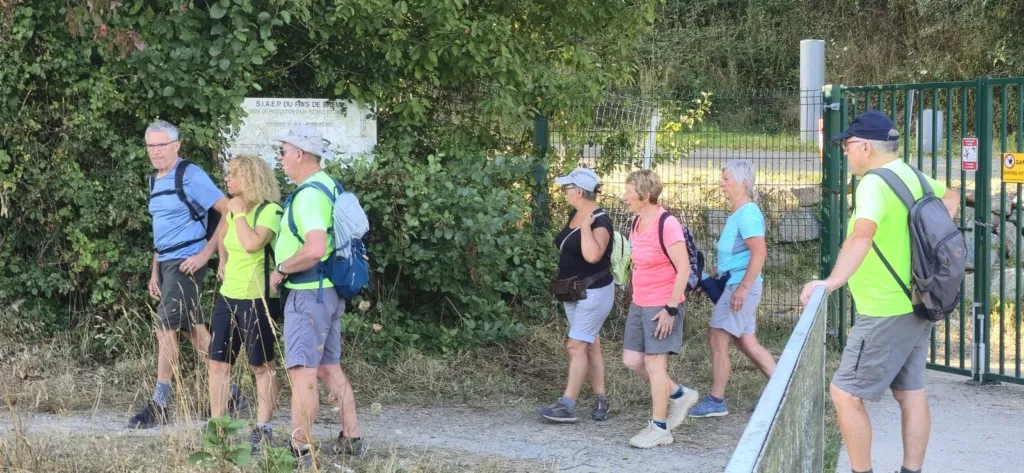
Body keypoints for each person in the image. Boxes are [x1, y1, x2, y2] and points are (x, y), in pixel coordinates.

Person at [801, 110, 959, 473]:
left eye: (847, 145)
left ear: (865, 147)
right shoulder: (911, 175)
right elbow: (950, 199)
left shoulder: (873, 183)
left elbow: (862, 236)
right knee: (909, 393)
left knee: (844, 394)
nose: (845, 152)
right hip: (919, 300)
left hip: (885, 309)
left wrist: (831, 281)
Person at [129, 120, 237, 429]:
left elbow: (228, 209)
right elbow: (161, 230)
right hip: (167, 264)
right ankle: (230, 392)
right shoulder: (155, 180)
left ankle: (160, 404)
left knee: (164, 329)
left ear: (177, 146)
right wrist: (155, 272)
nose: (156, 151)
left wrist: (206, 254)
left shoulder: (189, 174)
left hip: (186, 263)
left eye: (162, 145)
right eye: (151, 146)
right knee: (192, 329)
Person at [267, 125, 362, 468]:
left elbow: (315, 248)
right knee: (328, 367)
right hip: (329, 292)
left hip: (308, 294)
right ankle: (351, 438)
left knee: (302, 372)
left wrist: (280, 270)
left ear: (299, 154)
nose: (280, 159)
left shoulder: (308, 194)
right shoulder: (330, 186)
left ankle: (299, 449)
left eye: (282, 152)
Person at [689, 160, 776, 418]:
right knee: (747, 341)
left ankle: (716, 401)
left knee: (717, 337)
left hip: (740, 286)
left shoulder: (748, 214)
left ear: (744, 183)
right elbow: (736, 256)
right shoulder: (739, 213)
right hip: (735, 282)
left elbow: (759, 253)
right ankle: (781, 390)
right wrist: (713, 277)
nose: (721, 184)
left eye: (727, 179)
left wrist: (743, 288)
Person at [208, 154, 282, 454]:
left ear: (250, 177)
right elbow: (223, 238)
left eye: (233, 174)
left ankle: (263, 428)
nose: (227, 179)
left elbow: (252, 244)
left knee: (260, 365)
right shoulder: (232, 208)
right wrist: (222, 262)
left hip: (257, 297)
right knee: (217, 363)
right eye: (228, 174)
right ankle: (218, 428)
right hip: (229, 295)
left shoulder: (270, 211)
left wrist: (238, 214)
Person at [620, 169, 699, 449]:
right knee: (632, 360)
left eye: (629, 192)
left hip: (662, 304)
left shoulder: (668, 224)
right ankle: (678, 394)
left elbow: (684, 268)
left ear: (645, 195)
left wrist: (671, 308)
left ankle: (659, 428)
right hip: (640, 301)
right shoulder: (636, 221)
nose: (624, 197)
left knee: (654, 365)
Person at [539, 168, 615, 423]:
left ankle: (567, 405)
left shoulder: (600, 222)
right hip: (574, 291)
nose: (564, 192)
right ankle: (601, 399)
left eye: (567, 188)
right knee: (589, 344)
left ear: (580, 192)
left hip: (593, 293)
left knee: (575, 346)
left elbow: (593, 256)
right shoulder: (576, 214)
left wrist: (585, 228)